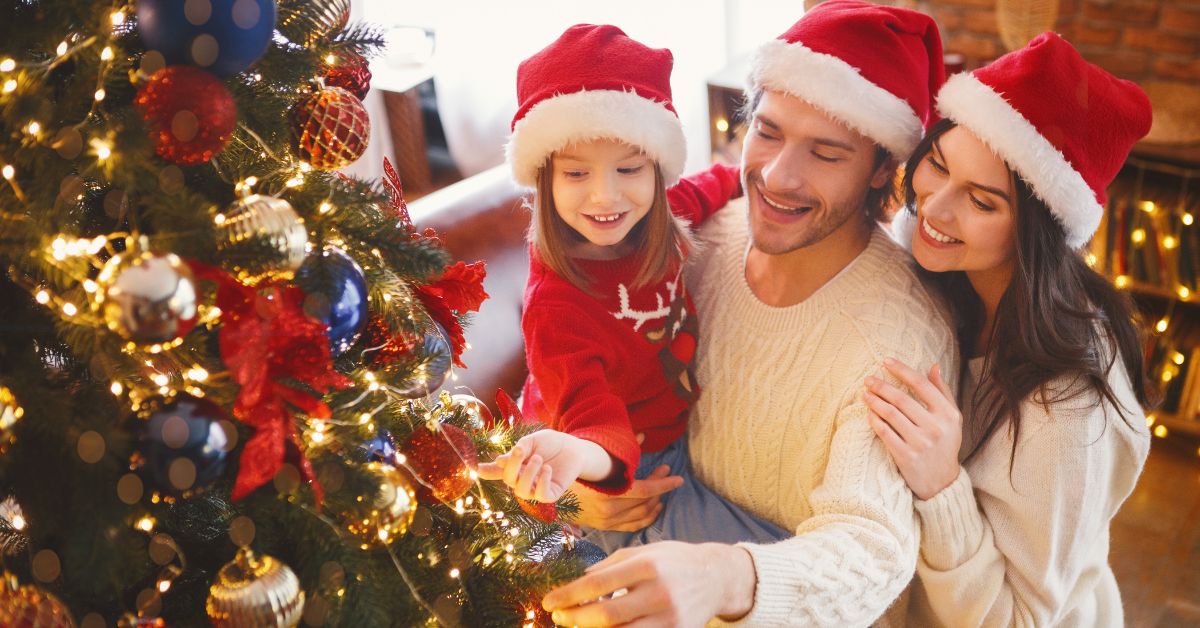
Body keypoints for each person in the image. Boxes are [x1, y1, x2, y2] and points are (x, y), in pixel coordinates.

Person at [541, 2, 957, 625]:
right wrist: (584, 488)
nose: (777, 176)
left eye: (827, 153)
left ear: (880, 172)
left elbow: (874, 549)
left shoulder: (892, 337)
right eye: (768, 132)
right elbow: (574, 364)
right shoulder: (694, 235)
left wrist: (726, 576)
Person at [863, 32, 1154, 626]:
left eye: (982, 201)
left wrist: (942, 486)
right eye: (938, 166)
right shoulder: (951, 276)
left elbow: (1022, 620)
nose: (935, 209)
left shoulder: (1066, 408)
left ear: (1037, 232)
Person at [476, 24, 789, 548]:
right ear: (544, 180)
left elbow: (717, 182)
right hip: (609, 465)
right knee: (762, 555)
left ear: (656, 171)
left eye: (628, 168)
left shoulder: (664, 217)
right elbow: (591, 416)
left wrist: (757, 175)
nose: (606, 196)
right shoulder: (557, 308)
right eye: (576, 174)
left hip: (668, 431)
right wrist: (579, 457)